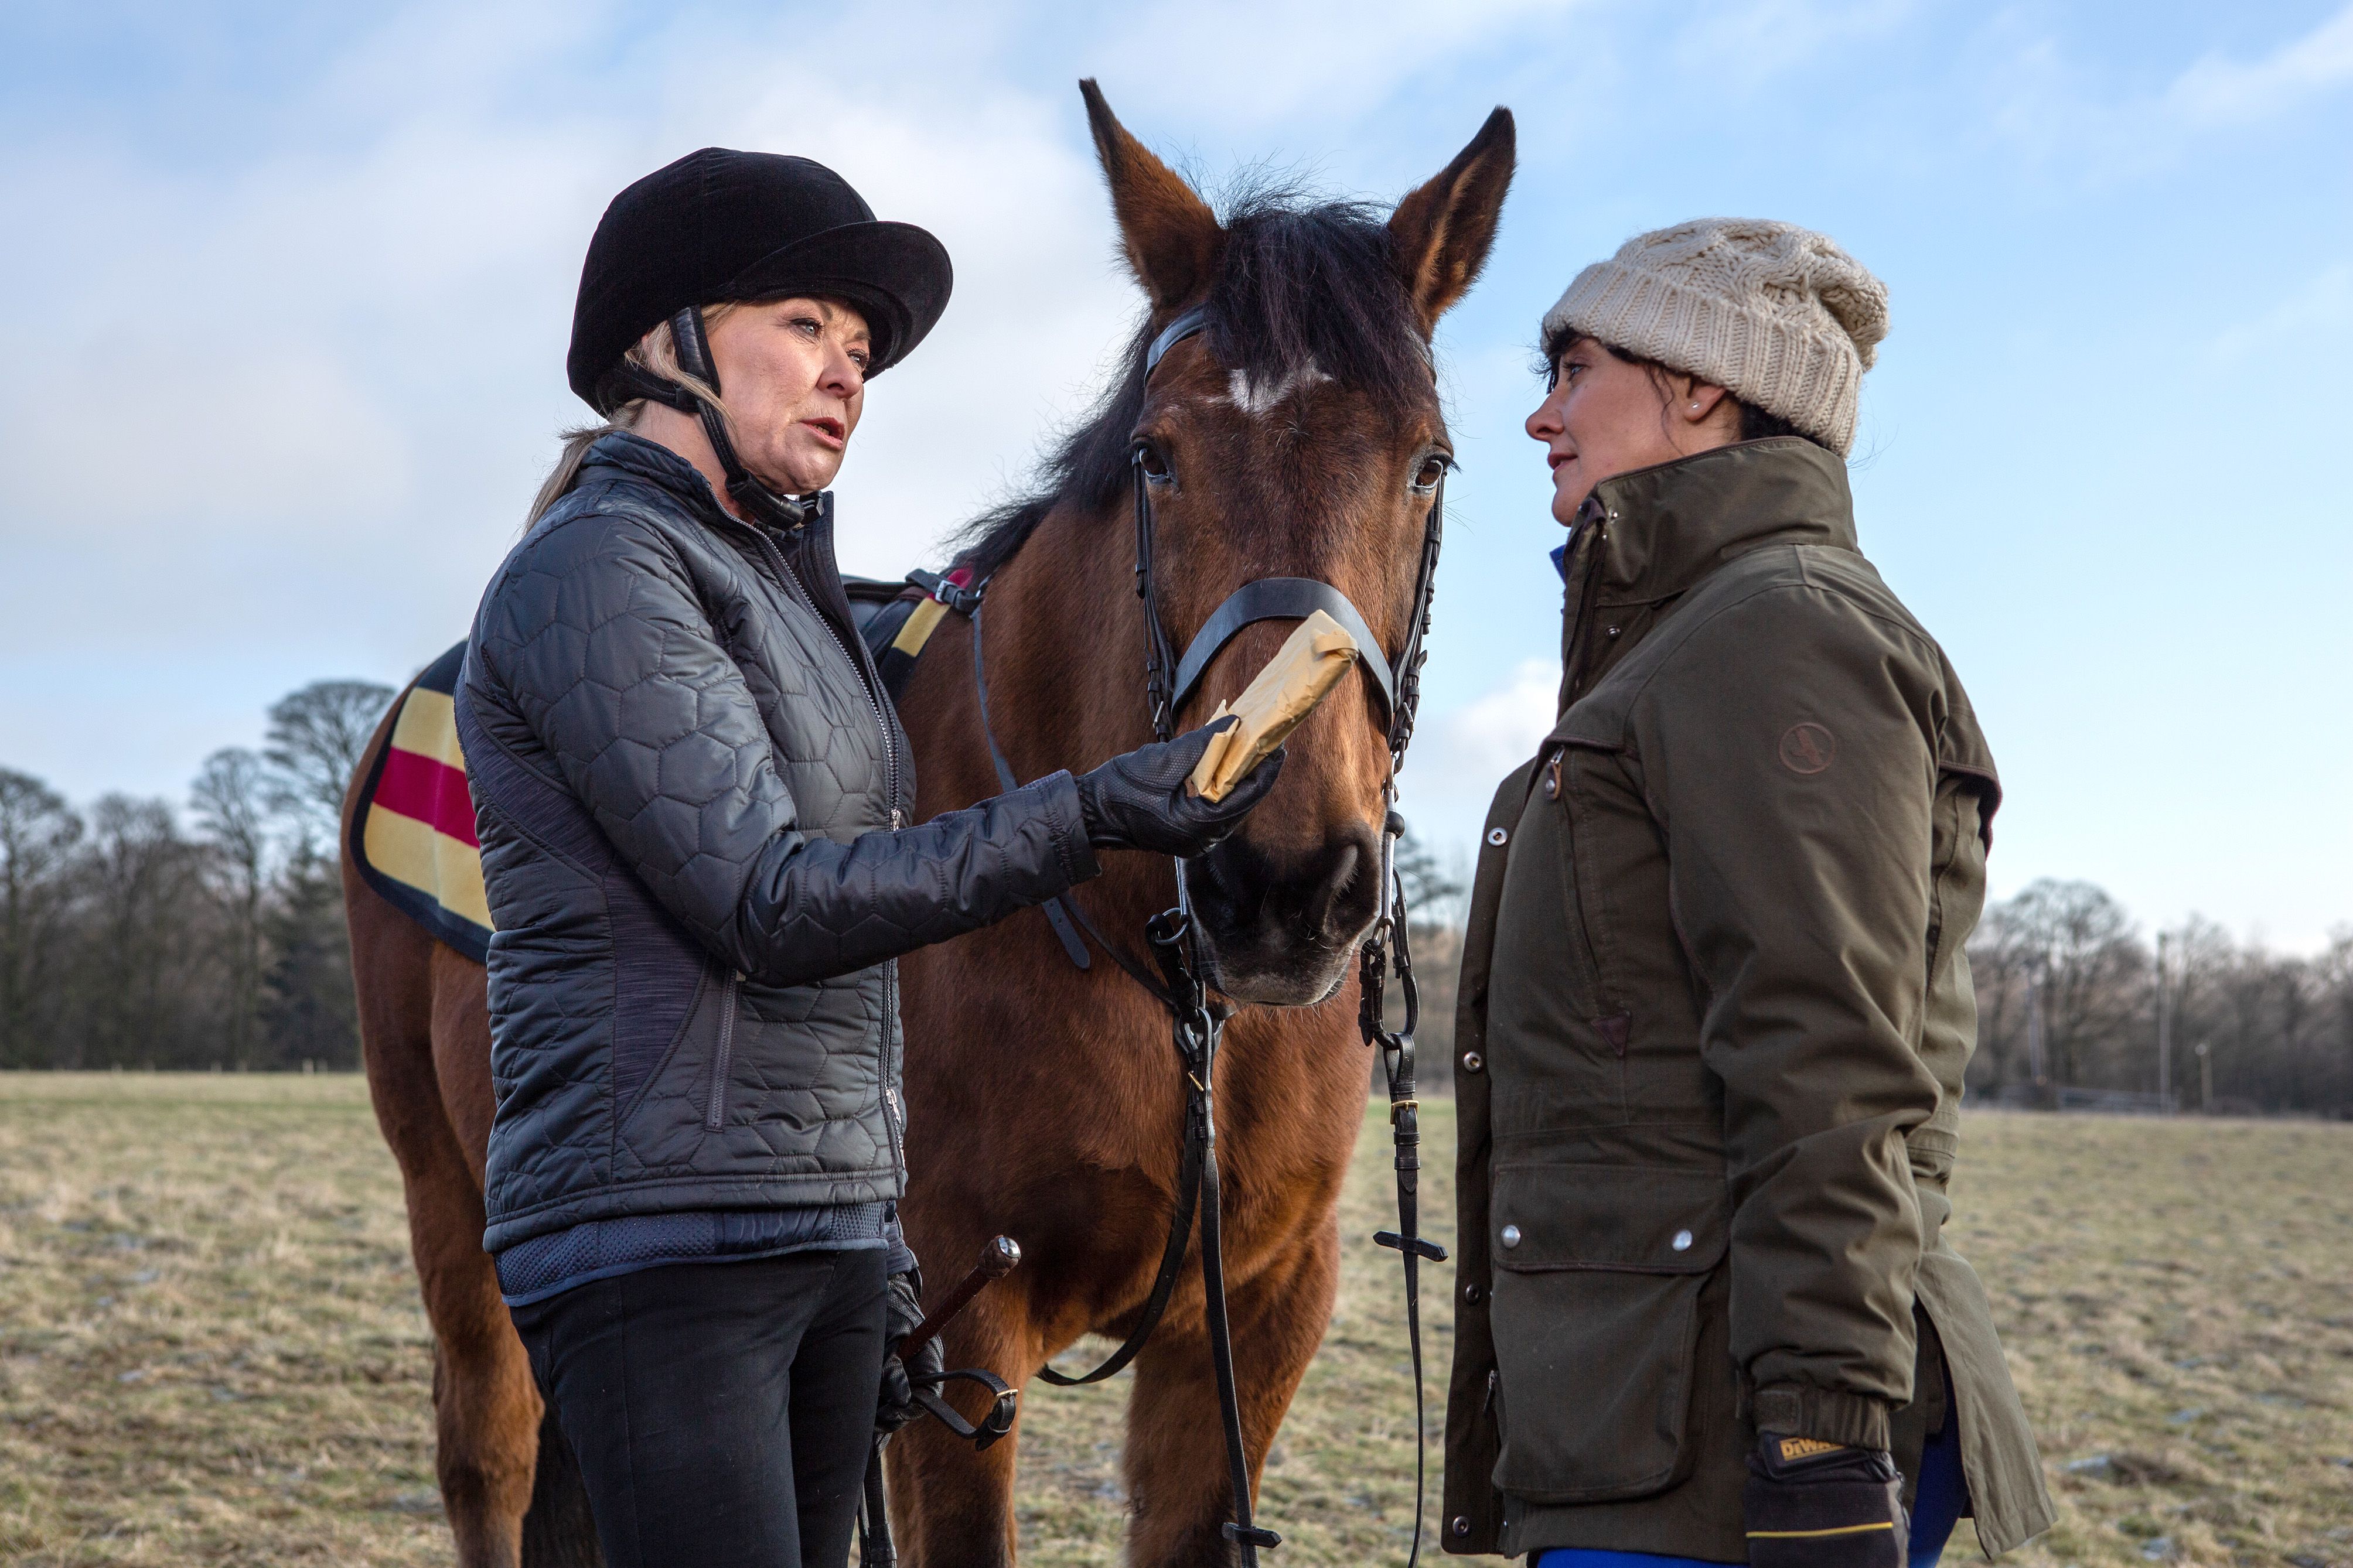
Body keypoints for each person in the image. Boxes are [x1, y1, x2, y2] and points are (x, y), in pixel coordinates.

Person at [454, 148, 1281, 1568]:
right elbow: (768, 904)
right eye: (802, 326)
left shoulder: (789, 593)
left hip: (818, 1231)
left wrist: (872, 1239)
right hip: (664, 1245)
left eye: (858, 347)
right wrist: (1091, 815)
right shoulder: (595, 575)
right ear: (667, 345)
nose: (846, 372)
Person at [1440, 220, 2057, 1568]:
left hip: (1728, 1454)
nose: (1541, 414)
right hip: (1643, 1425)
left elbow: (1822, 1062)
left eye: (1575, 365)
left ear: (1700, 384)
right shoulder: (1682, 643)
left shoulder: (1775, 632)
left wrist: (1820, 1449)